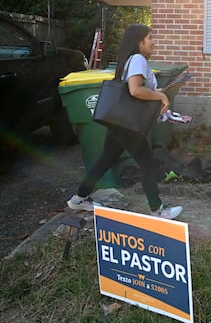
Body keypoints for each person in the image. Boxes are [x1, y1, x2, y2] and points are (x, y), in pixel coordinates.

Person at [67, 24, 183, 219]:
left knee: (106, 159)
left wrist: (159, 93)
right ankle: (158, 210)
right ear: (140, 42)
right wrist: (162, 98)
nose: (153, 42)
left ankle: (79, 198)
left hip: (120, 121)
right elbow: (135, 90)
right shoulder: (138, 59)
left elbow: (138, 89)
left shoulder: (131, 60)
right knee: (147, 163)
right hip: (129, 123)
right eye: (150, 38)